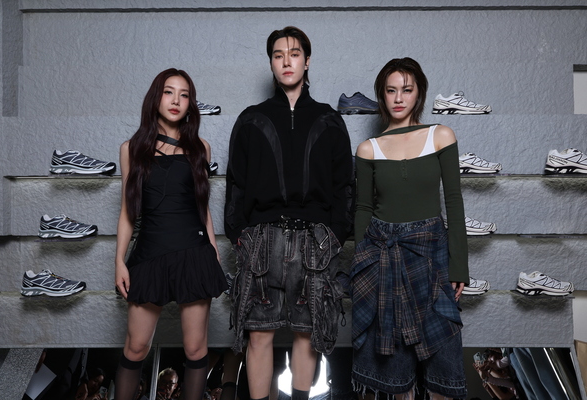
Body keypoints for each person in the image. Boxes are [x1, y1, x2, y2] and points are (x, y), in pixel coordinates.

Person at [225, 26, 354, 400]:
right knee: (258, 334)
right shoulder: (251, 119)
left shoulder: (329, 119)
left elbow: (344, 185)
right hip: (262, 238)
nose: (286, 61)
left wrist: (335, 235)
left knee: (307, 333)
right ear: (271, 63)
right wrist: (239, 234)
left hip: (315, 238)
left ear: (306, 61)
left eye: (294, 54)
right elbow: (236, 182)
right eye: (278, 55)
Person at [350, 57, 469, 399]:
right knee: (393, 371)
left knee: (443, 364)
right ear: (382, 95)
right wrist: (361, 263)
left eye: (407, 89)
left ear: (419, 93)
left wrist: (459, 266)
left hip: (431, 255)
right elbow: (363, 208)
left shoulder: (440, 135)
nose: (399, 98)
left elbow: (454, 202)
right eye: (391, 91)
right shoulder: (368, 148)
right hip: (382, 256)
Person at [114, 68, 228, 400]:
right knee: (136, 347)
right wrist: (119, 260)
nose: (176, 100)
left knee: (195, 349)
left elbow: (202, 207)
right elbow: (127, 211)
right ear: (156, 98)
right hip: (150, 252)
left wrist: (213, 250)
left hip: (193, 252)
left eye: (184, 94)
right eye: (168, 92)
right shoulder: (131, 148)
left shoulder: (201, 147)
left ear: (190, 103)